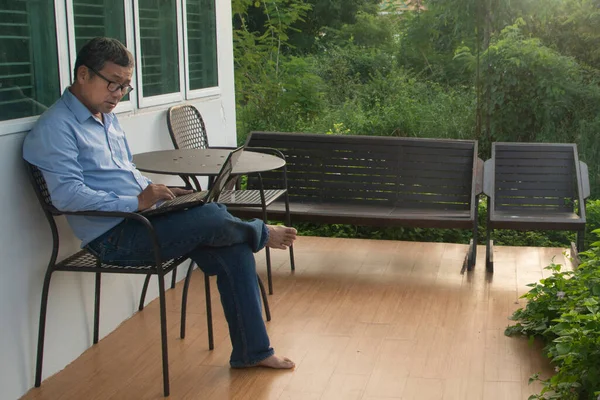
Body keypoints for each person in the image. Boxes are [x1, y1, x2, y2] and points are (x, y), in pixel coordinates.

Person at [22, 37, 297, 369]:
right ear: (83, 74)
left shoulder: (106, 119)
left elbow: (124, 171)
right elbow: (67, 195)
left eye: (125, 87)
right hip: (114, 238)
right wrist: (137, 201)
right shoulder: (56, 128)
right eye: (113, 83)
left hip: (144, 219)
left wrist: (158, 191)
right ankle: (261, 233)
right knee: (212, 216)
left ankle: (254, 353)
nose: (118, 94)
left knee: (230, 241)